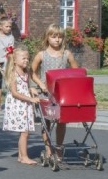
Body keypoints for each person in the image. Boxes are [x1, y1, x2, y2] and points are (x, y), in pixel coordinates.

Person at [30, 24, 79, 162]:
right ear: (47, 37)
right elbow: (32, 72)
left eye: (60, 37)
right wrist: (40, 84)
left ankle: (59, 148)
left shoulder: (67, 54)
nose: (57, 40)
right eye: (53, 37)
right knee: (46, 122)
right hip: (46, 93)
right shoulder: (42, 55)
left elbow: (76, 72)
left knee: (61, 122)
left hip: (62, 94)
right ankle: (48, 149)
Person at [2, 45, 40, 165]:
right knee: (24, 132)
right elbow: (14, 93)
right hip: (18, 104)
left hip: (25, 103)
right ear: (15, 60)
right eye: (23, 58)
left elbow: (26, 86)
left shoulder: (26, 72)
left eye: (27, 58)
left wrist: (31, 88)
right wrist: (30, 99)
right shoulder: (13, 73)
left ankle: (20, 155)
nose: (26, 60)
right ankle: (24, 156)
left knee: (25, 131)